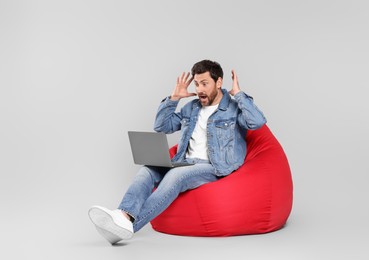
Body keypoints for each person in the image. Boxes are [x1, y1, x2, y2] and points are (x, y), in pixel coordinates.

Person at [88, 60, 267, 245]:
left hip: (215, 166)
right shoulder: (192, 107)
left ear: (219, 82)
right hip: (185, 161)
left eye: (205, 84)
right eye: (197, 84)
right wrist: (174, 99)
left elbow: (257, 122)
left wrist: (239, 95)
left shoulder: (233, 108)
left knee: (175, 176)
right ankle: (122, 215)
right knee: (147, 170)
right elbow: (161, 126)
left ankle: (128, 227)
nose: (199, 90)